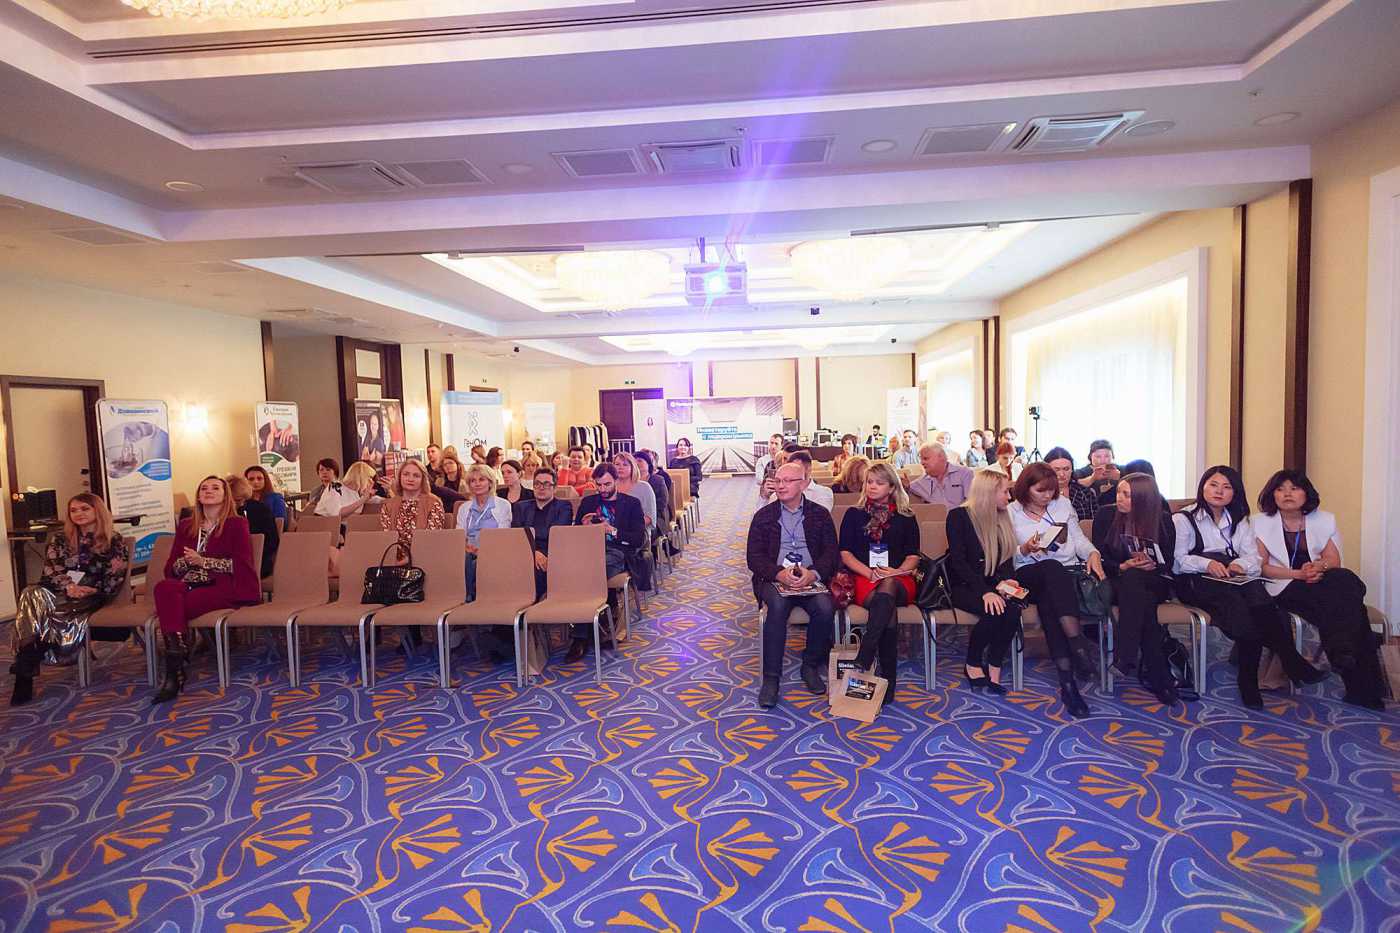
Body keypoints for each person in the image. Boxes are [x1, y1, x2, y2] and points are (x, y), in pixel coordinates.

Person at [1172, 466, 1326, 709]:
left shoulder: (1239, 520)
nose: (1219, 491)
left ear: (1235, 492)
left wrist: (1239, 565)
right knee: (1248, 611)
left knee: (1260, 600)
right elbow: (1177, 561)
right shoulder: (1183, 518)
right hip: (1196, 580)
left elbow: (1254, 559)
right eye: (1213, 485)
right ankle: (1286, 666)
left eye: (1227, 487)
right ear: (1203, 487)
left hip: (1233, 578)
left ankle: (1255, 678)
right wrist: (1207, 563)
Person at [1253, 469, 1384, 709]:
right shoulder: (1259, 523)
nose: (1287, 494)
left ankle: (1342, 650)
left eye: (1294, 488)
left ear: (1306, 493)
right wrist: (1298, 574)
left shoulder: (1324, 520)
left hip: (1318, 580)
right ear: (1272, 495)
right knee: (1352, 610)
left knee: (1344, 579)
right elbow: (1261, 568)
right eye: (1280, 489)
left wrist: (1318, 566)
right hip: (1282, 584)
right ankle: (1363, 687)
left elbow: (1333, 560)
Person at [9, 494, 130, 706]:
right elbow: (51, 569)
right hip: (60, 589)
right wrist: (69, 586)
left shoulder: (114, 540)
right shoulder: (60, 538)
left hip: (92, 593)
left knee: (51, 613)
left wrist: (91, 590)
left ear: (97, 511)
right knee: (30, 593)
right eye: (73, 510)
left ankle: (25, 666)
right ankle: (28, 658)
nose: (78, 514)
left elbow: (115, 575)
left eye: (84, 509)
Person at [151, 476, 259, 703]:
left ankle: (174, 668)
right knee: (164, 587)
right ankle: (177, 656)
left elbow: (241, 565)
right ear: (198, 496)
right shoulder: (186, 526)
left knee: (172, 606)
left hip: (223, 585)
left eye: (215, 488)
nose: (209, 491)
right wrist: (185, 562)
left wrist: (203, 561)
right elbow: (171, 568)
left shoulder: (236, 524)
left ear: (225, 495)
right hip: (188, 584)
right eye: (204, 488)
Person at [1008, 463, 1103, 714]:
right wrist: (1024, 549)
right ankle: (1077, 644)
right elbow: (1005, 554)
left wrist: (1093, 553)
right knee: (1051, 568)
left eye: (1051, 490)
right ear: (1026, 488)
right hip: (1028, 573)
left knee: (1050, 602)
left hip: (1062, 577)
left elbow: (1078, 539)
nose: (1047, 496)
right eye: (1041, 490)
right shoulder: (1011, 511)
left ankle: (1068, 685)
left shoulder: (1062, 505)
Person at [747, 461, 840, 708]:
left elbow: (831, 554)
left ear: (804, 484)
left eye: (788, 481)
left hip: (810, 577)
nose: (781, 486)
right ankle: (771, 679)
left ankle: (810, 665)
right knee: (777, 608)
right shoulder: (764, 516)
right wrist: (778, 574)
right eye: (778, 480)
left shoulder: (819, 514)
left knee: (825, 608)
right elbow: (754, 558)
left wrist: (813, 574)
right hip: (774, 578)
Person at [1092, 472, 1180, 704]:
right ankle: (1159, 675)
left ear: (1143, 498)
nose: (1119, 498)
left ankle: (1126, 655)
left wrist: (1152, 564)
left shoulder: (1162, 520)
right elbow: (1099, 557)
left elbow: (1168, 562)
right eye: (1119, 492)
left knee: (1138, 583)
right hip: (1118, 579)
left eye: (1126, 494)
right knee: (1140, 595)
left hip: (1154, 580)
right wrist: (1122, 566)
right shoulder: (1105, 515)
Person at [840, 462, 920, 706]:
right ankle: (888, 679)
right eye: (869, 482)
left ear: (892, 487)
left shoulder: (906, 517)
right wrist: (870, 573)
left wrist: (896, 571)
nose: (872, 486)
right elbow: (845, 554)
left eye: (879, 482)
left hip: (899, 578)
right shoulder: (853, 514)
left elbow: (913, 556)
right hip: (865, 578)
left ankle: (867, 652)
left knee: (889, 587)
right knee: (886, 609)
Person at [945, 469, 1021, 696]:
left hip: (993, 583)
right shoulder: (958, 517)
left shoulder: (1002, 517)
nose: (1009, 497)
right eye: (1005, 492)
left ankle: (995, 662)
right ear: (989, 492)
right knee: (994, 610)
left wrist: (1007, 583)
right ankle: (973, 661)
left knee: (1013, 609)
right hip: (963, 584)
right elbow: (959, 563)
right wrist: (984, 592)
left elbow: (1006, 559)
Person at [567, 464, 646, 662]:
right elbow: (574, 534)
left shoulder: (631, 503)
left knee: (587, 572)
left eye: (607, 484)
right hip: (589, 551)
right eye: (599, 485)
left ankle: (580, 637)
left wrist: (612, 530)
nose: (602, 489)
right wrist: (583, 527)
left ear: (616, 481)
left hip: (618, 552)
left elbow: (638, 539)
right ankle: (600, 620)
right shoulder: (588, 502)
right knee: (578, 571)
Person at [513, 466, 575, 598]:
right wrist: (534, 552)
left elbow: (557, 536)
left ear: (555, 488)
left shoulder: (564, 507)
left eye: (546, 484)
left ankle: (536, 602)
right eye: (537, 484)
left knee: (538, 568)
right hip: (525, 552)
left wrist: (540, 554)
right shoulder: (521, 507)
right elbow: (517, 535)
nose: (541, 488)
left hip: (552, 552)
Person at [455, 462, 511, 600]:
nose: (477, 484)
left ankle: (470, 597)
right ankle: (468, 596)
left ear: (490, 483)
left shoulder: (502, 505)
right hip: (468, 550)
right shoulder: (464, 508)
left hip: (493, 550)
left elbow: (503, 535)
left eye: (481, 479)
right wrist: (466, 547)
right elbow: (458, 535)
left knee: (475, 563)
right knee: (466, 558)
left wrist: (483, 550)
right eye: (473, 481)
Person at [228, 474, 279, 578]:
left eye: (238, 500)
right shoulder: (222, 512)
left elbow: (273, 541)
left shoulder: (260, 510)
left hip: (257, 562)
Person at [908, 443, 975, 508]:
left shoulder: (965, 473)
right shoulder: (921, 482)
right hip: (936, 515)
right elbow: (907, 486)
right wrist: (905, 485)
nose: (922, 462)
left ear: (941, 457)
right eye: (921, 459)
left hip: (961, 514)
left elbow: (972, 502)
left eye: (926, 458)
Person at [1044, 447, 1100, 520]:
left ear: (1072, 470)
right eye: (1056, 470)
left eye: (1066, 469)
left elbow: (1095, 522)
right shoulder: (1039, 493)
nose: (1062, 474)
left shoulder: (1084, 492)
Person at [1074, 440, 1121, 514]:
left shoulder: (1120, 470)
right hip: (1090, 512)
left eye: (1107, 456)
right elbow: (1075, 487)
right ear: (1090, 457)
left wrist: (1119, 478)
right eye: (1098, 456)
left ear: (1112, 456)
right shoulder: (1081, 472)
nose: (1103, 460)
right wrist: (1092, 478)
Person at [635, 451, 673, 532]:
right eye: (634, 461)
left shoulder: (658, 480)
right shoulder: (631, 481)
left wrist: (645, 512)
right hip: (635, 516)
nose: (636, 463)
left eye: (640, 461)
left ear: (648, 464)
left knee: (638, 530)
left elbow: (662, 502)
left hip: (656, 516)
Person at [243, 466, 287, 532]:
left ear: (265, 480)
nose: (255, 482)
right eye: (251, 479)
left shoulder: (276, 498)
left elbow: (281, 522)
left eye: (259, 478)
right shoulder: (243, 500)